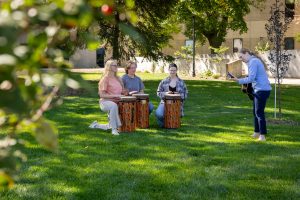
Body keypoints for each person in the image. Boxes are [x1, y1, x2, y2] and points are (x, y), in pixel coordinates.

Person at [230, 48, 272, 141]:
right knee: (255, 112)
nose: (241, 59)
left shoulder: (253, 62)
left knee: (259, 112)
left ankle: (262, 135)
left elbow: (251, 78)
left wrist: (238, 80)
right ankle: (257, 132)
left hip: (262, 90)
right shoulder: (253, 61)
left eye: (241, 57)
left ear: (246, 53)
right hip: (260, 89)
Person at [89, 59, 126, 135]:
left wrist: (125, 92)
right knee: (113, 106)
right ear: (109, 67)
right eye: (114, 65)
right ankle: (114, 129)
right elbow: (102, 95)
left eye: (116, 65)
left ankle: (95, 125)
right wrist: (115, 96)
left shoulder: (118, 78)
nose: (116, 67)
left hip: (117, 101)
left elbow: (122, 91)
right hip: (105, 102)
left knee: (109, 124)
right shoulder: (105, 79)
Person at [155, 63, 188, 127]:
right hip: (164, 102)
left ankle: (172, 121)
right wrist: (166, 93)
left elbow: (185, 94)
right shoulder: (164, 81)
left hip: (177, 103)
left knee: (173, 124)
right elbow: (158, 92)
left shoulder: (181, 82)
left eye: (174, 70)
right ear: (168, 70)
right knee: (159, 114)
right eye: (171, 70)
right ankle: (163, 122)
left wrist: (177, 95)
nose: (172, 72)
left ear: (176, 70)